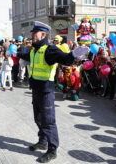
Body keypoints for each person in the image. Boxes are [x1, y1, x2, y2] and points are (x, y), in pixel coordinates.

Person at [16, 21, 82, 163]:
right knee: (38, 118)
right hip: (36, 90)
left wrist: (73, 54)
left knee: (48, 121)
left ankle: (52, 150)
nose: (32, 35)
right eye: (32, 33)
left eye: (35, 33)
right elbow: (26, 56)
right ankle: (42, 141)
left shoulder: (49, 49)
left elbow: (64, 58)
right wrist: (17, 52)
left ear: (43, 34)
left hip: (46, 91)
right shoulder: (34, 49)